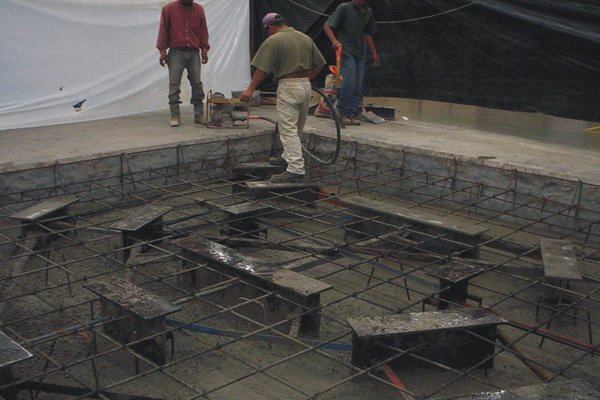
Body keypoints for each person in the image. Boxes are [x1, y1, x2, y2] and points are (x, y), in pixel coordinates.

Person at [241, 13, 326, 183]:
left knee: (287, 129)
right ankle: (287, 156)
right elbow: (320, 63)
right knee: (297, 128)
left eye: (268, 30)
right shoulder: (305, 38)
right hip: (305, 86)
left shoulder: (274, 40)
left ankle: (295, 168)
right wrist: (307, 79)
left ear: (270, 27)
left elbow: (261, 69)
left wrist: (250, 90)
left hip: (289, 87)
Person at [324, 0, 379, 126]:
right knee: (349, 82)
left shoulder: (368, 12)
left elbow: (367, 33)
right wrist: (334, 41)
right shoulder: (344, 8)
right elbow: (327, 26)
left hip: (360, 52)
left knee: (357, 85)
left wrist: (374, 52)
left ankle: (350, 113)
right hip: (346, 50)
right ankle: (342, 112)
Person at [156, 0, 210, 127]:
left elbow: (203, 31)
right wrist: (162, 50)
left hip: (193, 51)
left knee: (197, 83)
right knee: (174, 84)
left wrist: (204, 49)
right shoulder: (168, 9)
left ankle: (198, 114)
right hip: (176, 51)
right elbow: (163, 30)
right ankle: (175, 115)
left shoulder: (199, 9)